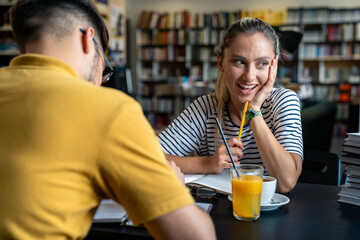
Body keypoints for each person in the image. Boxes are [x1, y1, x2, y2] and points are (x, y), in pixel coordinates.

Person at [0, 1, 215, 239]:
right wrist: (174, 186)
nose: (103, 80)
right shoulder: (109, 109)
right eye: (105, 61)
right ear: (87, 39)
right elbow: (197, 236)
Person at [158, 17, 303, 193]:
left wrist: (254, 111)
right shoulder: (206, 108)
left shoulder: (283, 101)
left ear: (274, 66)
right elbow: (147, 157)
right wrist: (208, 163)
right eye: (239, 62)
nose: (249, 76)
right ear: (221, 63)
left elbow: (286, 182)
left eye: (262, 64)